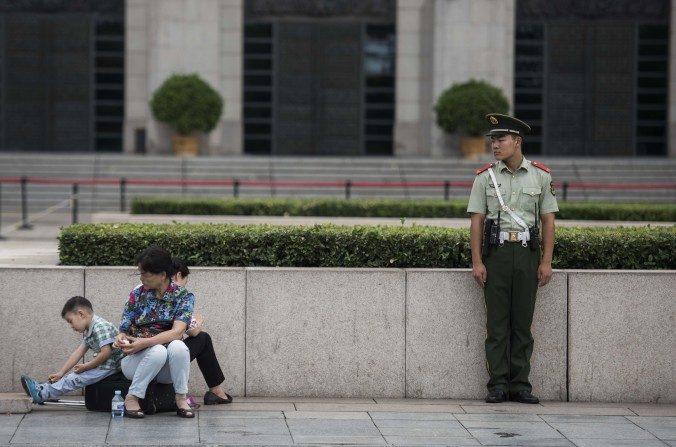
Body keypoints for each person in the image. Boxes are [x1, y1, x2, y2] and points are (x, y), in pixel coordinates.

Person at [467, 113, 558, 404]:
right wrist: (478, 261)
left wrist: (546, 261)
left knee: (522, 324)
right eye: (492, 140)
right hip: (498, 255)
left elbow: (548, 221)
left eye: (500, 140)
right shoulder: (485, 177)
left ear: (517, 141)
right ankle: (497, 385)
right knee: (496, 325)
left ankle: (520, 385)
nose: (494, 145)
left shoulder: (541, 176)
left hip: (528, 255)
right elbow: (476, 222)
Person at [115, 245, 195, 418]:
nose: (142, 278)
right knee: (158, 350)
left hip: (166, 368)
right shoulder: (137, 294)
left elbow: (177, 332)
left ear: (162, 275)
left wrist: (145, 342)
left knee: (178, 346)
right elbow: (123, 329)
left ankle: (181, 398)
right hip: (135, 361)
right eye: (140, 273)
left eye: (146, 274)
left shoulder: (184, 296)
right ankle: (132, 397)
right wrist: (121, 339)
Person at [20, 296, 123, 404]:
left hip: (110, 366)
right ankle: (43, 388)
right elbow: (78, 353)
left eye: (70, 321)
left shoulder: (100, 326)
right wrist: (61, 372)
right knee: (70, 377)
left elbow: (106, 353)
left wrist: (87, 366)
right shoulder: (90, 330)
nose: (71, 326)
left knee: (73, 379)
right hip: (103, 365)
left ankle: (41, 393)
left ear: (81, 314)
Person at [172, 258, 233, 405]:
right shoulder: (179, 294)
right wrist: (198, 321)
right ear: (178, 275)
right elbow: (193, 332)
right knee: (203, 338)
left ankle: (216, 391)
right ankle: (216, 391)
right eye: (186, 279)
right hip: (169, 354)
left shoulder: (142, 290)